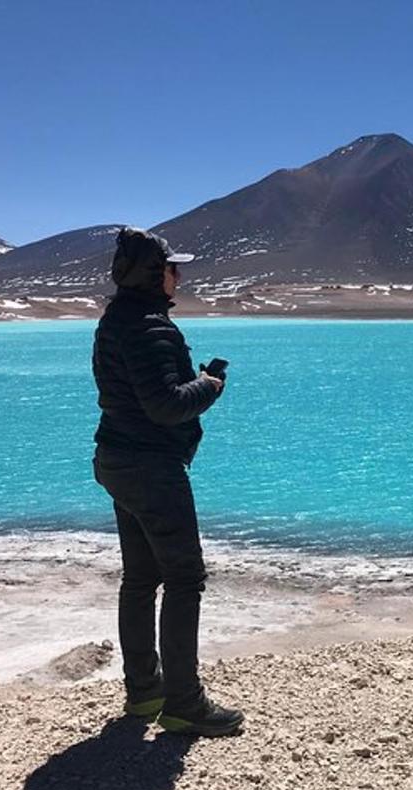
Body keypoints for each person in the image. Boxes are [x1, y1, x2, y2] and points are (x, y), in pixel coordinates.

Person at [91, 227, 243, 737]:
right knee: (184, 579)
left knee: (139, 577)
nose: (180, 276)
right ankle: (184, 703)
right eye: (173, 268)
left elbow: (141, 396)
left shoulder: (115, 320)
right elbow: (166, 406)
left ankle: (143, 691)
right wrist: (210, 385)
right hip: (151, 469)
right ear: (157, 275)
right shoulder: (152, 328)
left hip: (117, 460)